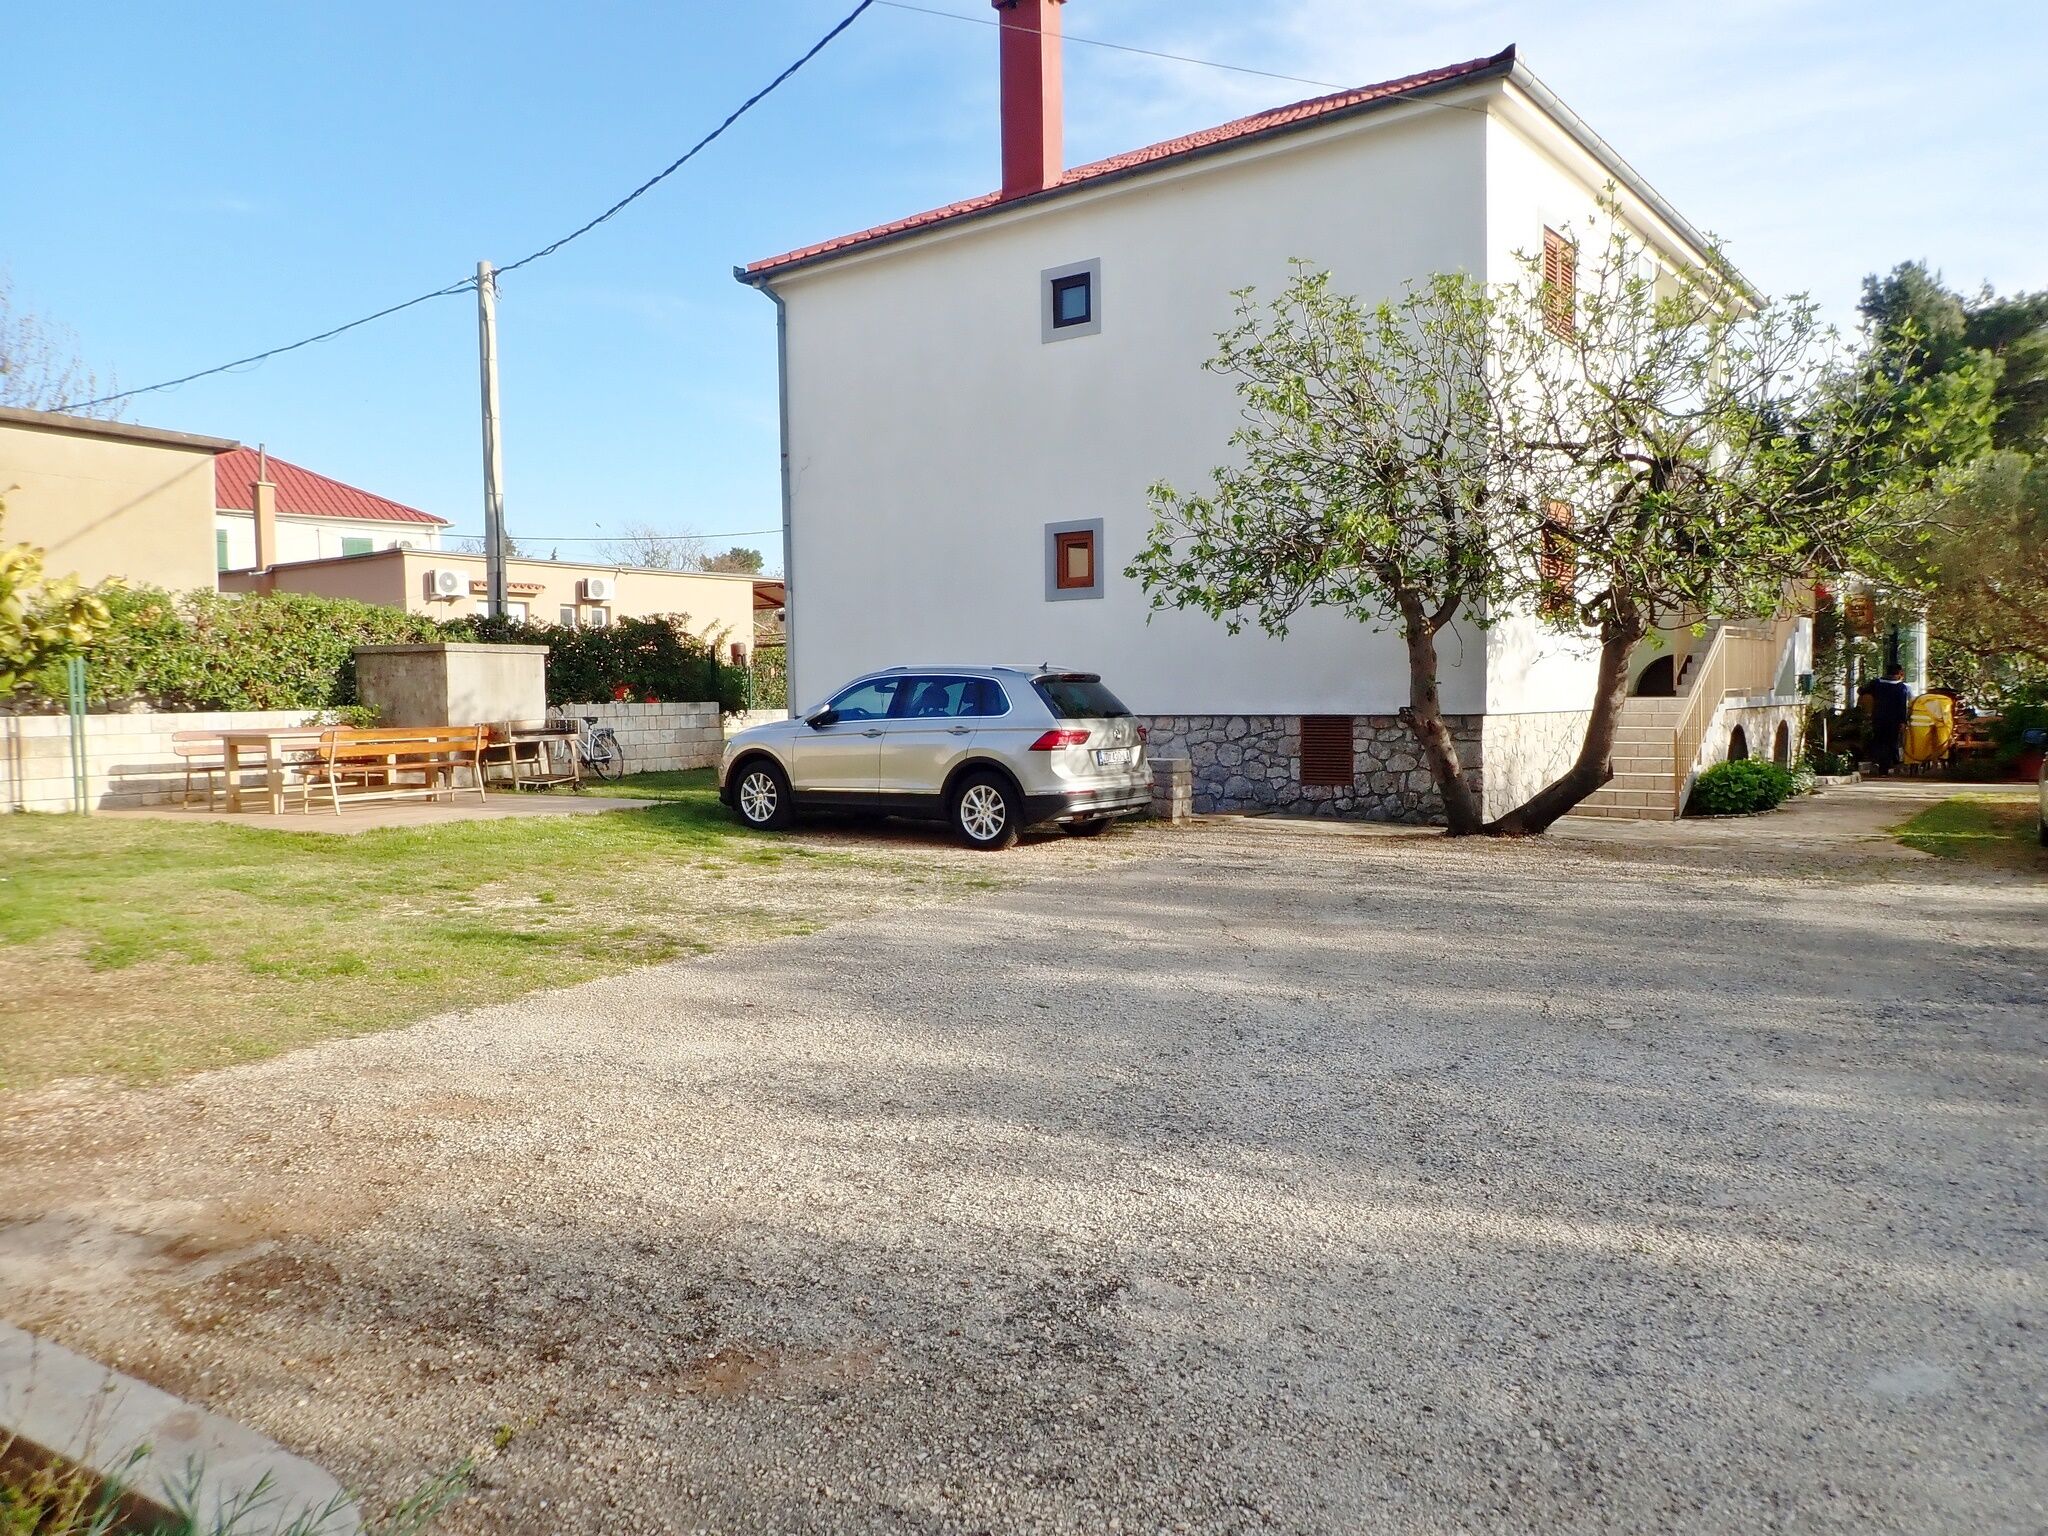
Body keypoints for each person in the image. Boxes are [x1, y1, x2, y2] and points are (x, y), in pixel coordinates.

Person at [1867, 665, 1913, 774]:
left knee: (1879, 740)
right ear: (1899, 674)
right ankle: (1887, 765)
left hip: (1878, 717)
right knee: (1891, 742)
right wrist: (1903, 721)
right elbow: (1902, 706)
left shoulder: (1876, 684)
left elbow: (1863, 692)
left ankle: (1879, 764)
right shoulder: (1901, 687)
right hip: (1894, 720)